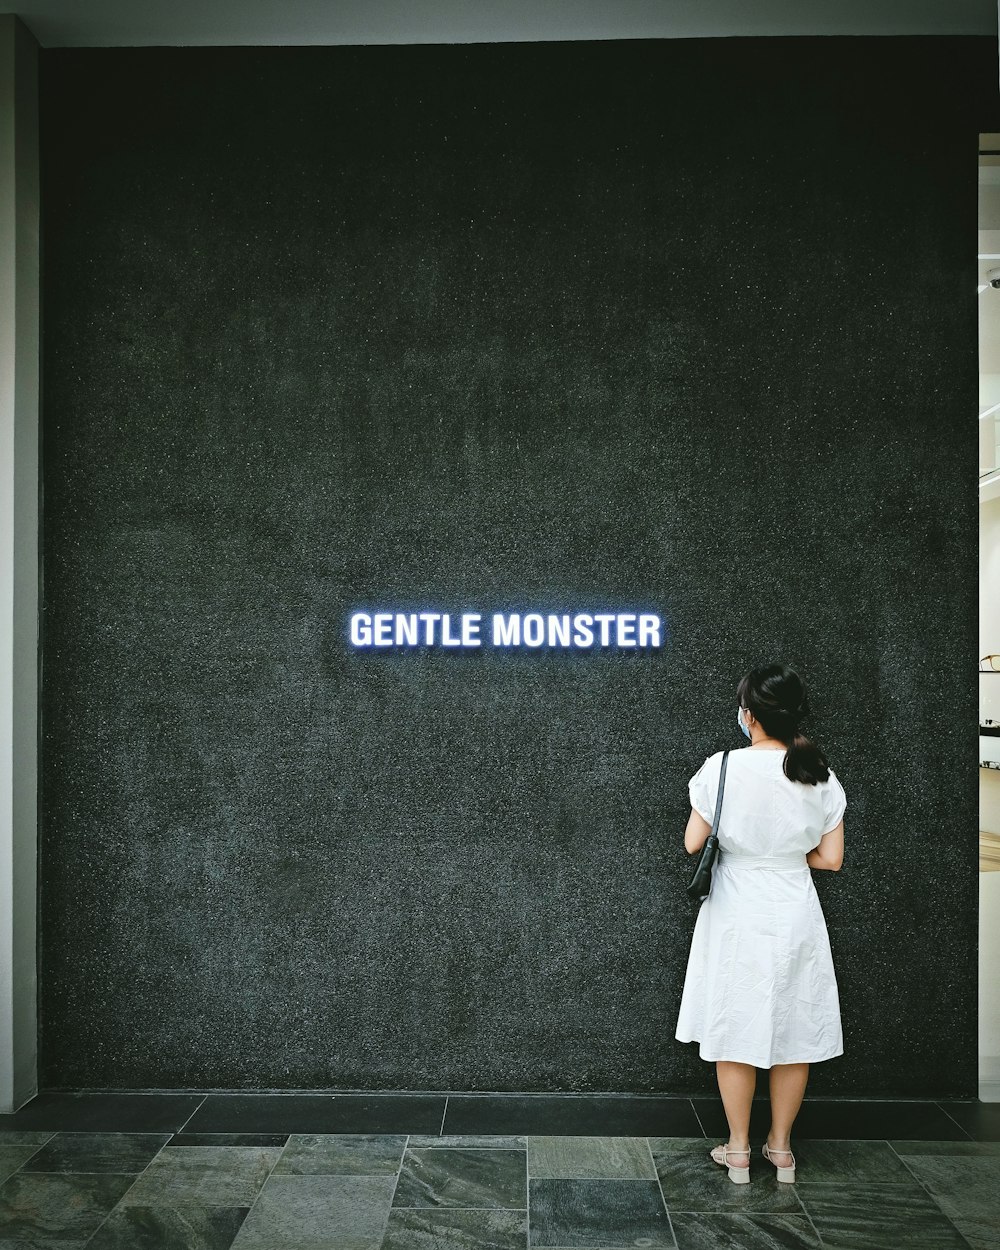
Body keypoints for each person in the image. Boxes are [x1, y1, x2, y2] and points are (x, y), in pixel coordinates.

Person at [674, 662, 846, 1185]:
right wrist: (787, 858)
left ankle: (739, 1150)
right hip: (793, 905)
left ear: (749, 716)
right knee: (796, 1027)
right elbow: (831, 859)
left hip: (735, 908)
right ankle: (782, 1150)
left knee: (735, 1025)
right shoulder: (819, 773)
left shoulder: (720, 768)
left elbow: (692, 844)